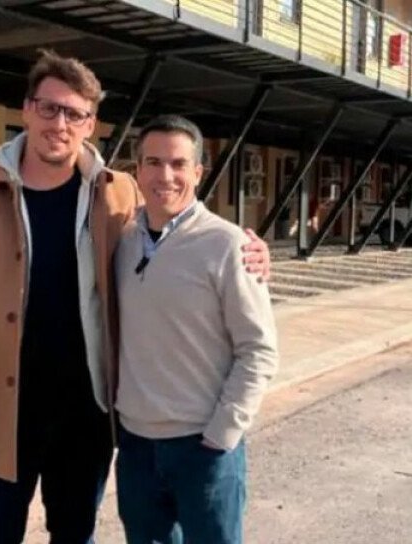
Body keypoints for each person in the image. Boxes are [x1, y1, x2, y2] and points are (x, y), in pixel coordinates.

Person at [0, 51, 272, 543]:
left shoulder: (119, 192)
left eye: (74, 113)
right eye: (49, 108)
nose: (59, 124)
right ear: (27, 110)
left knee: (76, 535)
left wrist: (252, 254)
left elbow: (177, 225)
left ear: (90, 124)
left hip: (87, 416)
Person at [114, 115, 279, 544]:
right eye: (153, 162)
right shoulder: (120, 240)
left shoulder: (228, 244)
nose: (165, 176)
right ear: (138, 170)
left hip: (203, 448)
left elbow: (258, 349)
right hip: (135, 448)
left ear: (198, 172)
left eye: (178, 164)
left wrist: (223, 433)